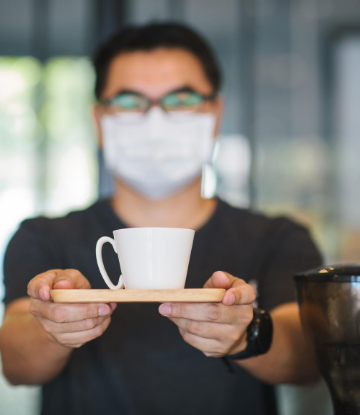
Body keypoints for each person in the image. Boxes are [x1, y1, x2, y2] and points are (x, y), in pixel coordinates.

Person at [0, 23, 322, 415]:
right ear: (100, 120)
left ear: (215, 114)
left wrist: (245, 334)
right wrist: (54, 325)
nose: (156, 120)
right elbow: (16, 364)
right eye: (130, 102)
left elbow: (306, 359)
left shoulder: (277, 238)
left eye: (181, 98)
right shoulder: (42, 237)